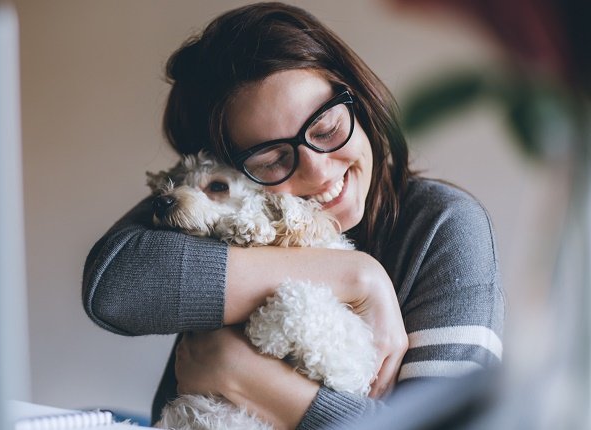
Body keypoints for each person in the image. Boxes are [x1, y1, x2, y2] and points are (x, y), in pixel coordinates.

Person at [82, 2, 504, 429]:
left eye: (326, 129)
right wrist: (356, 275)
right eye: (271, 160)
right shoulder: (219, 204)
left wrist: (241, 375)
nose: (318, 170)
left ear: (359, 102)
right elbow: (114, 285)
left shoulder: (444, 228)